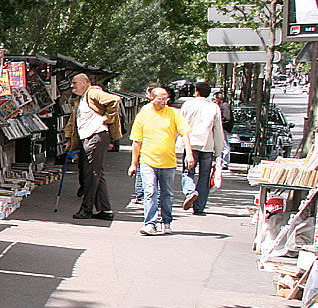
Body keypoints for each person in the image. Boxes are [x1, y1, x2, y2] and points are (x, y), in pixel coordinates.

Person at [128, 87, 193, 235]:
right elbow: (136, 141)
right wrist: (134, 163)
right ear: (152, 98)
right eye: (161, 99)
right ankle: (150, 223)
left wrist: (189, 153)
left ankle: (166, 221)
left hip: (168, 162)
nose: (164, 102)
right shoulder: (143, 115)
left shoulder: (174, 113)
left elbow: (185, 133)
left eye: (166, 99)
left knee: (167, 194)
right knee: (150, 191)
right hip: (148, 160)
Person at [64, 73, 123, 220]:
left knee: (91, 173)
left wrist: (107, 118)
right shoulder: (81, 98)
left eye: (75, 83)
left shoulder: (93, 93)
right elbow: (74, 120)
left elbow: (114, 100)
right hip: (89, 137)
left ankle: (87, 208)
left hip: (95, 136)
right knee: (95, 173)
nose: (72, 86)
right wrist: (69, 138)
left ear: (84, 83)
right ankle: (105, 209)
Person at [179, 82, 225, 215]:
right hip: (207, 145)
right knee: (204, 176)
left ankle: (190, 191)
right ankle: (199, 207)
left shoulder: (188, 105)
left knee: (188, 172)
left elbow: (180, 124)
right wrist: (219, 151)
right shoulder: (214, 107)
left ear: (197, 92)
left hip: (190, 145)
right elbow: (218, 130)